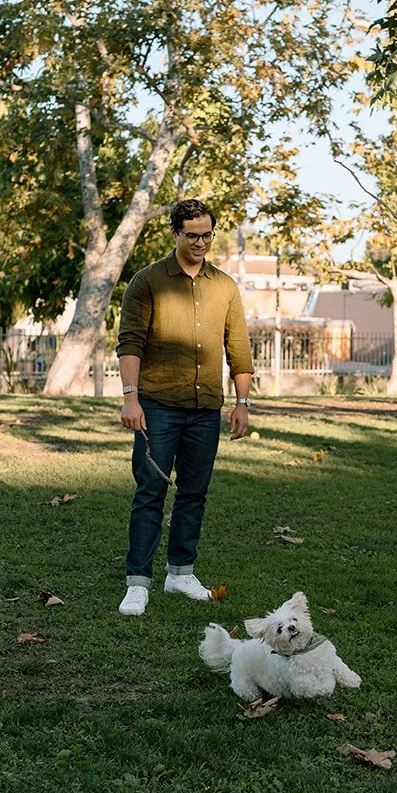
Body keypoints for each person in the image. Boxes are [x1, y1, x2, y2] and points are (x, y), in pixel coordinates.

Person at [115, 199, 255, 616]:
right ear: (175, 233)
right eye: (191, 235)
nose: (200, 242)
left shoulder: (225, 286)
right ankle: (137, 582)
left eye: (206, 235)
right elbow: (131, 342)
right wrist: (130, 396)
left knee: (194, 493)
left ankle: (180, 574)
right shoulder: (148, 281)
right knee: (151, 492)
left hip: (205, 409)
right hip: (157, 406)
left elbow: (239, 347)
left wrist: (242, 403)